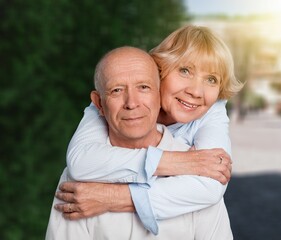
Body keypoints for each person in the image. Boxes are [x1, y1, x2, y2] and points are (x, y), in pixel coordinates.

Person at [54, 25, 243, 234]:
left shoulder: (212, 112)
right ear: (160, 70)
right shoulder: (106, 105)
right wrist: (174, 161)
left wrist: (113, 197)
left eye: (211, 79)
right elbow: (80, 163)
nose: (196, 91)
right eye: (185, 71)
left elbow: (211, 186)